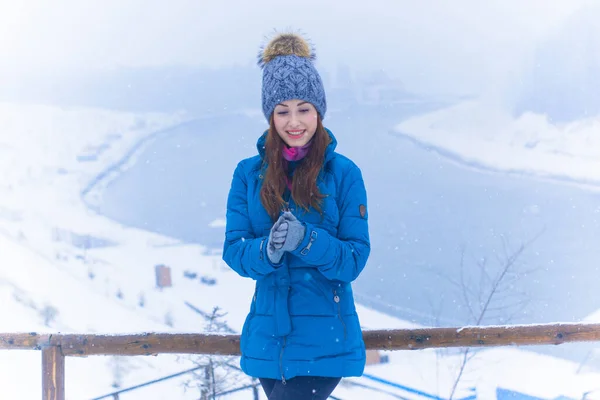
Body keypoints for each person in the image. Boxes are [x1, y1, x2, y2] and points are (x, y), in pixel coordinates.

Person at [222, 31, 371, 400]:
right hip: (267, 341)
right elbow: (234, 249)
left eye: (304, 108)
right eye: (282, 110)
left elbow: (354, 259)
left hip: (325, 343)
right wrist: (267, 251)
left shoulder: (343, 173)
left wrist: (307, 241)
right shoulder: (248, 173)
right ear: (269, 116)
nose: (294, 122)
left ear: (318, 111)